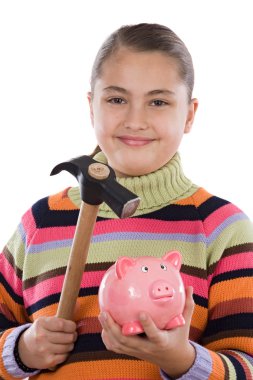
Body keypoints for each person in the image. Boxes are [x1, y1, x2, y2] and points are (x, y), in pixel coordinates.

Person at [0, 22, 252, 380]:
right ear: (92, 106)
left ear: (190, 115)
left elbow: (247, 366)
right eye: (117, 99)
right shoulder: (40, 223)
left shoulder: (221, 228)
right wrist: (21, 350)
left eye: (159, 101)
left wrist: (181, 360)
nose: (136, 121)